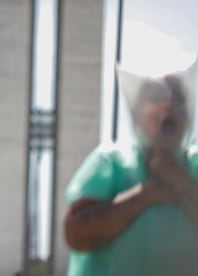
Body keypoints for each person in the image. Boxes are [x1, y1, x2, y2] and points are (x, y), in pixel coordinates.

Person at [63, 60, 198, 276]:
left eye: (179, 99)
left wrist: (181, 181)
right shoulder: (111, 162)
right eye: (156, 98)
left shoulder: (195, 166)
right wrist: (144, 196)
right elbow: (76, 233)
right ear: (136, 113)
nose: (169, 105)